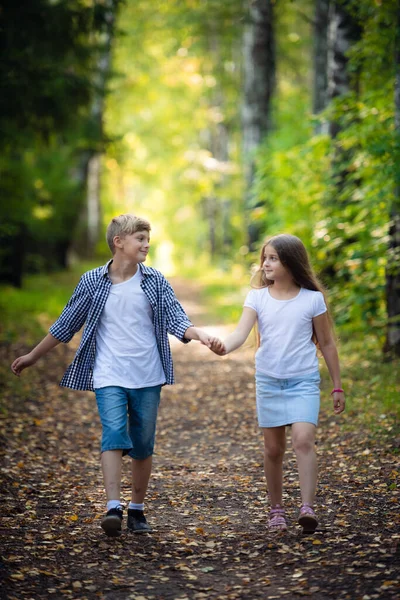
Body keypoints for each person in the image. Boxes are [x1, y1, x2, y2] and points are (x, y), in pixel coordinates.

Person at [11, 213, 221, 537]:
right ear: (118, 242)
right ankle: (113, 505)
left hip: (148, 375)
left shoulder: (154, 281)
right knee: (112, 432)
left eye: (148, 239)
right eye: (140, 238)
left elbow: (176, 318)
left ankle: (137, 509)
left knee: (142, 444)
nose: (146, 244)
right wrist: (33, 356)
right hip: (108, 373)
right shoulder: (92, 282)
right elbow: (66, 324)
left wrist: (200, 335)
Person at [209, 234, 345, 534]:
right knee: (273, 450)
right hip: (269, 383)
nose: (266, 264)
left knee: (303, 441)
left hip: (304, 382)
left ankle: (307, 508)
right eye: (265, 258)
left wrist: (337, 386)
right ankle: (276, 510)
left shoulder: (313, 299)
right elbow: (240, 334)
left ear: (290, 262)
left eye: (273, 258)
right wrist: (223, 347)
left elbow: (327, 344)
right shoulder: (257, 297)